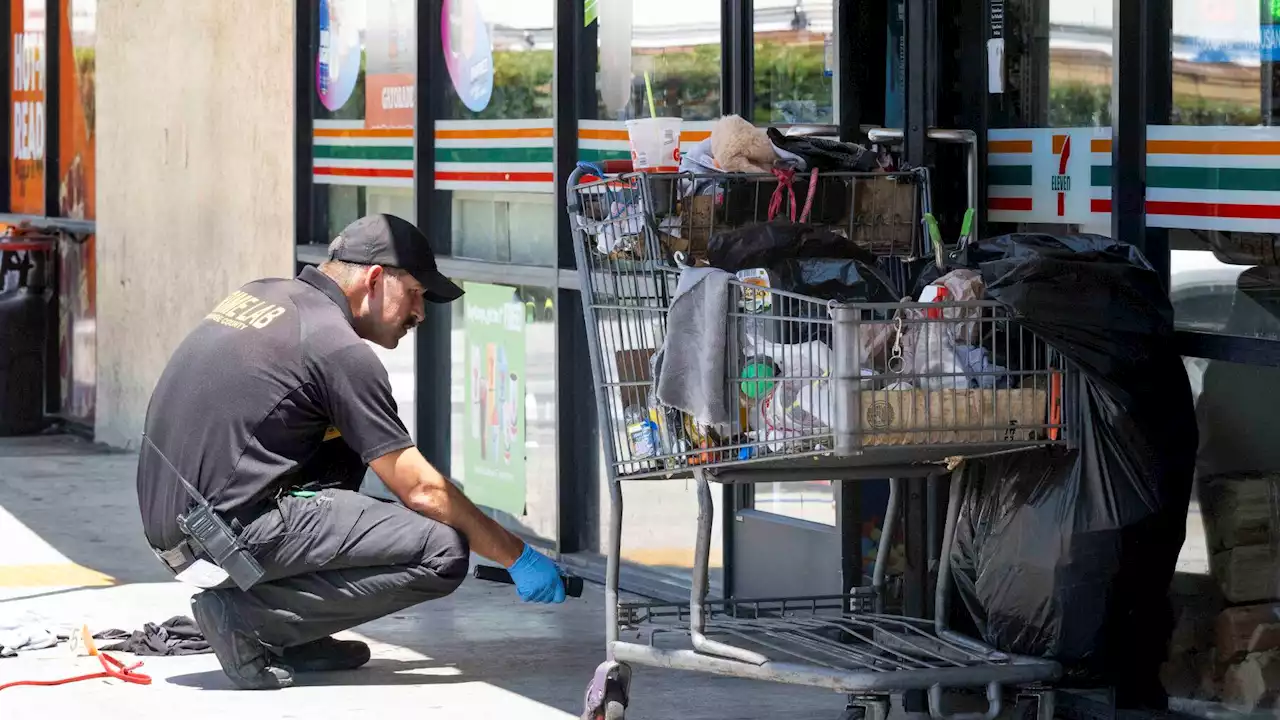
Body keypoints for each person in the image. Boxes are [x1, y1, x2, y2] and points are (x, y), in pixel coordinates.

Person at [135, 214, 566, 690]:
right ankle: (251, 619)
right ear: (375, 279)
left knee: (350, 443)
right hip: (220, 534)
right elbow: (421, 489)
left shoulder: (264, 295)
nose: (421, 314)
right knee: (441, 550)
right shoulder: (336, 348)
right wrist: (517, 555)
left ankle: (296, 633)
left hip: (175, 526)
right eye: (417, 294)